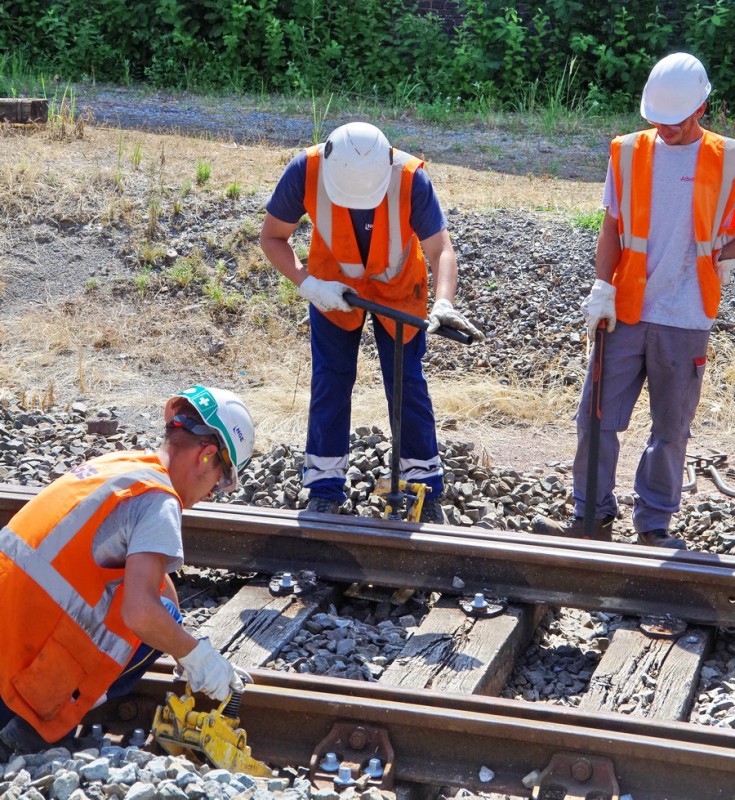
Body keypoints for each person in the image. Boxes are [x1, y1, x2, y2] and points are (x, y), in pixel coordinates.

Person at [533, 52, 735, 549]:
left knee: (670, 430)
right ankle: (591, 517)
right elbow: (613, 226)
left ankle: (653, 526)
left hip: (687, 314)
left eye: (676, 121)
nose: (665, 129)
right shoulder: (626, 152)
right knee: (594, 418)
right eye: (657, 121)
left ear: (702, 109)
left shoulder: (728, 158)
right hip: (626, 308)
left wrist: (723, 254)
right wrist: (602, 288)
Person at [0, 385, 255, 754]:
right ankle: (30, 732)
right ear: (207, 455)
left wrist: (182, 642)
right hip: (11, 675)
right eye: (221, 480)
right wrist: (196, 657)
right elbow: (141, 612)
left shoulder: (123, 466)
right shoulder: (159, 502)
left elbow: (151, 580)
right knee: (149, 622)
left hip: (9, 628)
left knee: (163, 616)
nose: (212, 492)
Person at [259, 121, 483, 523]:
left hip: (398, 289)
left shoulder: (410, 178)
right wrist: (308, 284)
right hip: (334, 288)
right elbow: (272, 237)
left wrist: (444, 302)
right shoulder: (305, 171)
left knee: (406, 381)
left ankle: (423, 485)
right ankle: (324, 487)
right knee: (331, 378)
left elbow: (440, 249)